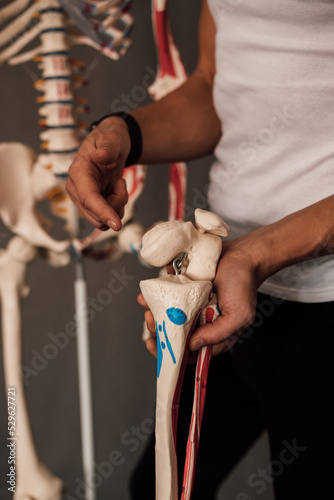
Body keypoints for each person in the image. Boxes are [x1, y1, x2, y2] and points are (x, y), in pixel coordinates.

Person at [66, 1, 334, 498]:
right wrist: (121, 133)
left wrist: (260, 253)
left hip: (319, 295)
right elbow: (216, 87)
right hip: (231, 277)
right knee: (157, 487)